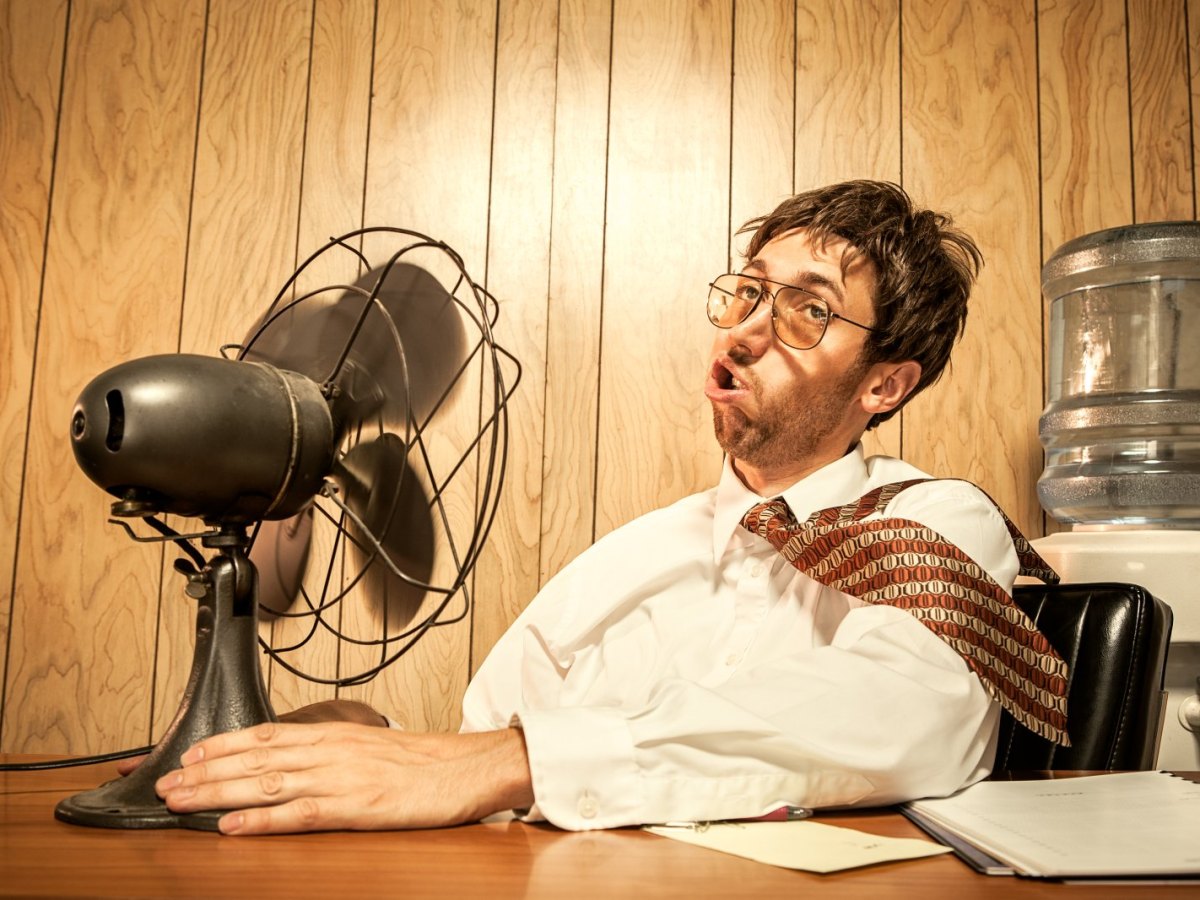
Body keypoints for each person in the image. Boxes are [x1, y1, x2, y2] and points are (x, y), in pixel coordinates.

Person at [149, 180, 1062, 835]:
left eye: (804, 310)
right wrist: (372, 739)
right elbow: (478, 749)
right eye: (749, 292)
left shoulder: (935, 522)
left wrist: (518, 762)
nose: (743, 327)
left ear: (885, 385)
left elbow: (900, 716)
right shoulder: (628, 560)